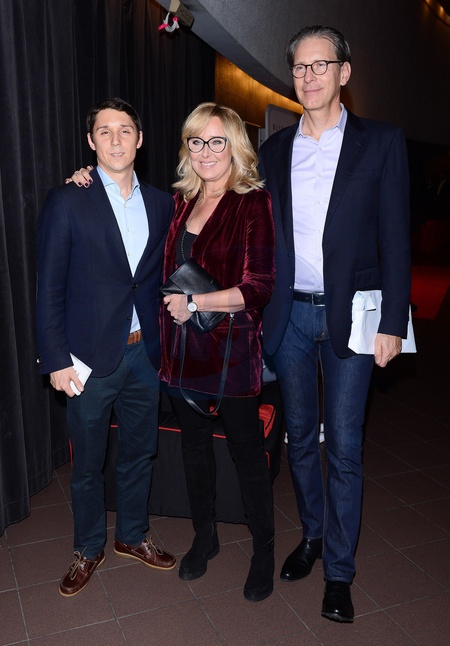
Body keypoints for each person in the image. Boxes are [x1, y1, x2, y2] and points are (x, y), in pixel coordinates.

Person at [259, 26, 411, 622]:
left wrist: (393, 321)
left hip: (354, 315)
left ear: (344, 72)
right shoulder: (274, 150)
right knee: (299, 439)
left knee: (344, 445)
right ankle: (314, 536)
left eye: (321, 65)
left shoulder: (382, 142)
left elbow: (396, 238)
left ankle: (340, 572)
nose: (309, 76)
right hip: (290, 314)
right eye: (300, 67)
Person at [36, 97, 176, 597]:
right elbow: (49, 286)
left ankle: (132, 535)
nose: (116, 140)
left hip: (144, 355)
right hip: (88, 360)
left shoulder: (162, 203)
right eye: (105, 131)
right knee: (88, 463)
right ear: (91, 142)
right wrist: (55, 359)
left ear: (140, 139)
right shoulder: (68, 199)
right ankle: (88, 546)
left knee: (140, 452)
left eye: (125, 130)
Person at [160, 102, 276, 602]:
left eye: (216, 141)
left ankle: (263, 550)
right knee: (194, 449)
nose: (205, 151)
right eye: (196, 141)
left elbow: (259, 287)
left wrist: (196, 303)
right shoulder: (180, 202)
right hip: (181, 352)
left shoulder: (252, 202)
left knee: (247, 454)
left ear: (235, 146)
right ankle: (204, 536)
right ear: (187, 148)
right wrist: (87, 177)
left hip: (231, 354)